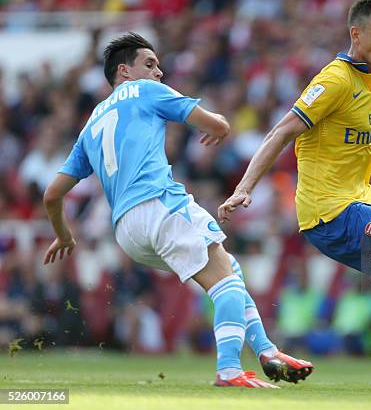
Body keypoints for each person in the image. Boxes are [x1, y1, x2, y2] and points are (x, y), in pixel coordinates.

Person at [219, 0, 371, 391]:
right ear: (356, 34)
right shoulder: (333, 80)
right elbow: (283, 130)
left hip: (365, 198)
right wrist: (244, 189)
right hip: (331, 213)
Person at [43, 32, 313, 388]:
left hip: (127, 231)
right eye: (150, 64)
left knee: (227, 267)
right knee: (227, 284)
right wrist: (219, 129)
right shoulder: (144, 90)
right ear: (124, 72)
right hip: (160, 205)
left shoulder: (91, 124)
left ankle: (266, 350)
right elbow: (218, 124)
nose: (159, 73)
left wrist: (64, 235)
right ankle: (229, 371)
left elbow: (51, 195)